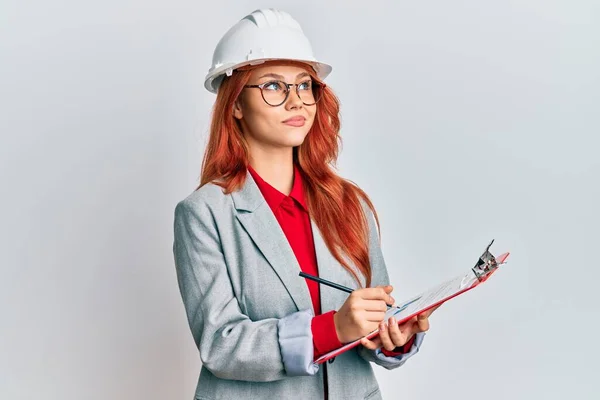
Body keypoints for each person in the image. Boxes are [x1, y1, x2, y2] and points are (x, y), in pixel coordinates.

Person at [173, 8, 439, 400]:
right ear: (235, 104)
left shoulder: (348, 202)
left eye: (304, 85)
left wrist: (392, 336)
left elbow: (372, 326)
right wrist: (332, 329)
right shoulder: (205, 214)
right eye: (273, 86)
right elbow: (222, 344)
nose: (296, 101)